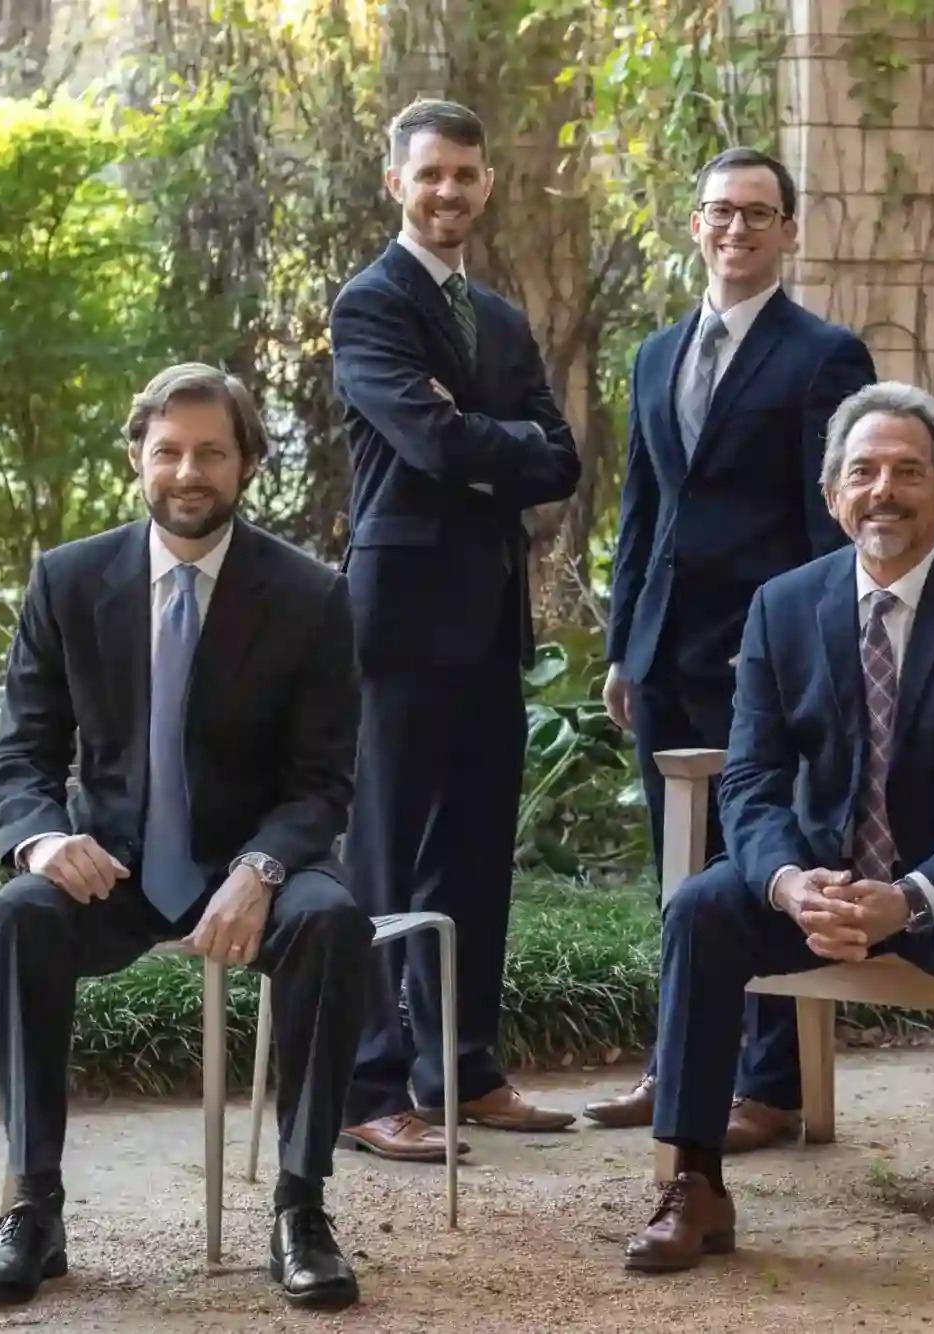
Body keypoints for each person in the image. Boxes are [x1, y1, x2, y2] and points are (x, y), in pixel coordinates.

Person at [624, 383, 934, 1307]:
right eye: (862, 473)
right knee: (700, 908)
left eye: (909, 472)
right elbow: (750, 777)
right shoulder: (783, 606)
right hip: (825, 878)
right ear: (833, 497)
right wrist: (790, 884)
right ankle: (695, 1180)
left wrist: (912, 895)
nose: (884, 492)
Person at [0, 364, 370, 1310]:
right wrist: (43, 843)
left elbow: (323, 781)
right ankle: (33, 1206)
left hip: (259, 869)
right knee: (18, 918)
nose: (189, 472)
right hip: (113, 868)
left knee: (332, 923)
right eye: (170, 452)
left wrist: (262, 869)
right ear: (137, 459)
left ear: (248, 464)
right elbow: (22, 753)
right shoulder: (68, 581)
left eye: (212, 453)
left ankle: (302, 1208)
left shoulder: (310, 594)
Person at [584, 147, 876, 1148]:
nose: (736, 228)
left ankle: (770, 1083)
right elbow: (642, 507)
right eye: (720, 211)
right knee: (678, 868)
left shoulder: (823, 355)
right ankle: (678, 1067)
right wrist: (624, 644)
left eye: (757, 213)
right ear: (696, 225)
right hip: (664, 650)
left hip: (766, 653)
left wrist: (817, 655)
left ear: (788, 230)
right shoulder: (656, 354)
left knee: (770, 853)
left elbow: (830, 520)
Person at [334, 98, 582, 1157]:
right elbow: (430, 443)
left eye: (465, 175)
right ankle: (366, 1088)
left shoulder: (504, 320)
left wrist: (481, 436)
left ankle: (463, 1071)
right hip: (396, 624)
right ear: (395, 182)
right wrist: (496, 441)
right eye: (429, 174)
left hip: (488, 622)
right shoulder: (370, 305)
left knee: (476, 860)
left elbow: (562, 459)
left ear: (487, 185)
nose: (448, 192)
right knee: (381, 863)